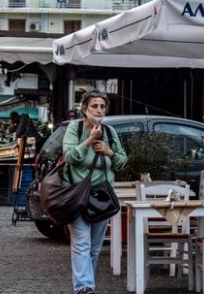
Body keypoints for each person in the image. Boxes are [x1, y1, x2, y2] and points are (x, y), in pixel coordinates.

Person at [62, 89, 127, 294]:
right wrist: (89, 140)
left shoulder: (110, 132)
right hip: (78, 195)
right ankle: (84, 288)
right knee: (82, 241)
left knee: (95, 246)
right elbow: (70, 157)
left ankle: (86, 285)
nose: (99, 110)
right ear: (85, 109)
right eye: (94, 106)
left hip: (102, 197)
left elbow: (123, 162)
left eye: (102, 106)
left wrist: (109, 152)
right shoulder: (75, 127)